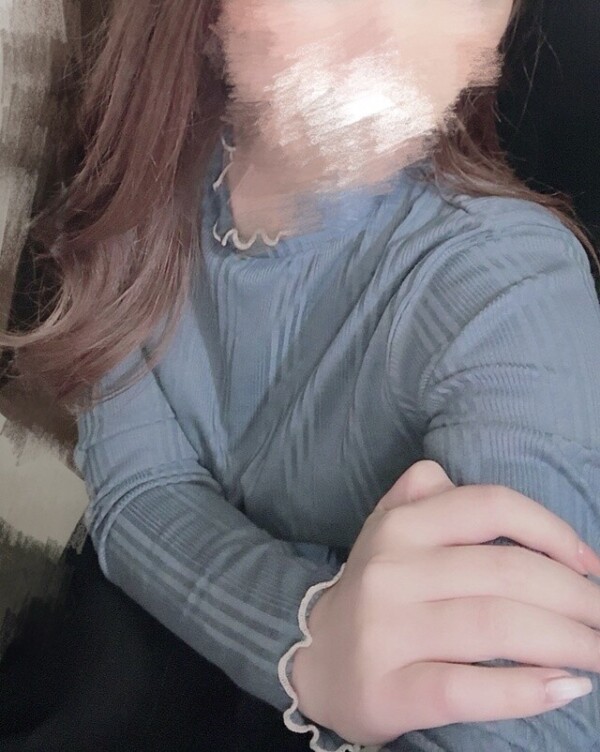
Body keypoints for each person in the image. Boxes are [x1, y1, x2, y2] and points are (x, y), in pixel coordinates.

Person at [2, 0, 600, 750]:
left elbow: (542, 723)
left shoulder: (510, 287)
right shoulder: (148, 181)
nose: (391, 32)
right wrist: (307, 638)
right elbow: (136, 491)